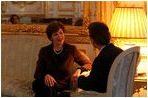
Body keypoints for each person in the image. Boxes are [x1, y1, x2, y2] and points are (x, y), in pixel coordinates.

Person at [32, 21, 92, 97]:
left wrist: (79, 70)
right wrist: (45, 75)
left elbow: (89, 64)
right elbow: (37, 73)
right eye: (55, 34)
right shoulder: (44, 51)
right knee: (44, 88)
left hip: (62, 85)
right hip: (45, 84)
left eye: (61, 33)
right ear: (51, 37)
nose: (59, 36)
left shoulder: (71, 49)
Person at [77, 22, 123, 93]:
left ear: (93, 39)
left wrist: (79, 78)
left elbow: (92, 85)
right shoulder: (121, 52)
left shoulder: (101, 58)